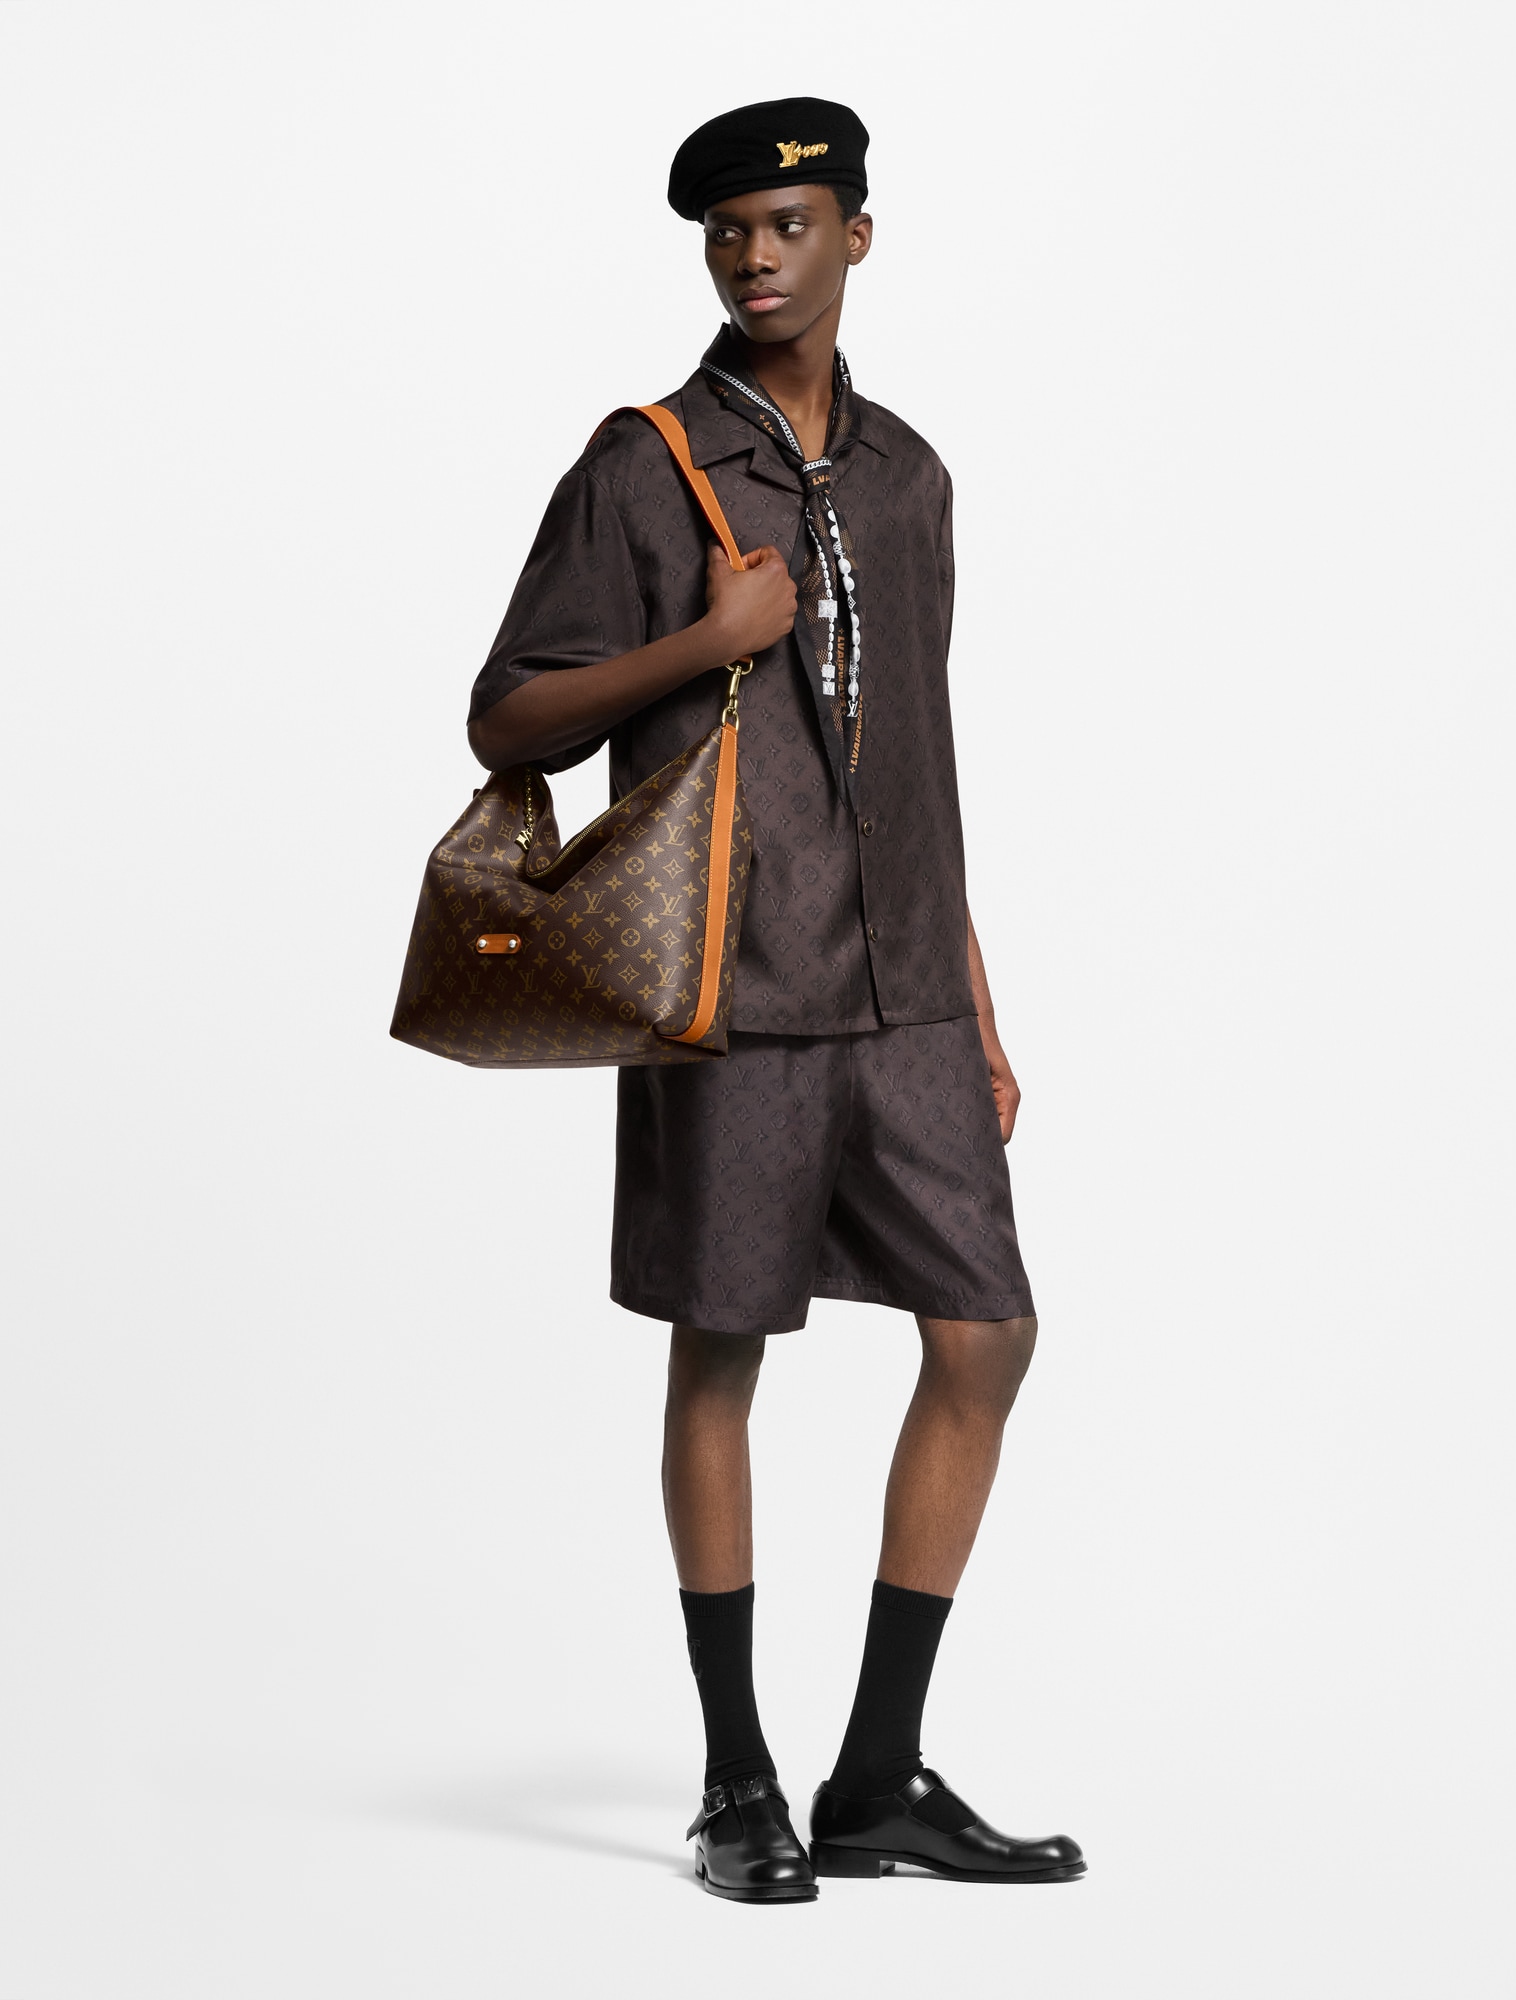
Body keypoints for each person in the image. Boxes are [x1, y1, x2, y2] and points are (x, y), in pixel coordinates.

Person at [467, 97, 1084, 1902]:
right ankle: (737, 1781)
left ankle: (877, 1773)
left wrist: (975, 1001)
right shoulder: (644, 464)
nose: (755, 255)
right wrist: (698, 643)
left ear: (856, 238)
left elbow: (922, 758)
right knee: (720, 1352)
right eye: (728, 230)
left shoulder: (911, 477)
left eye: (790, 225)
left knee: (987, 1335)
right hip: (729, 984)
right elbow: (506, 718)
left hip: (907, 987)